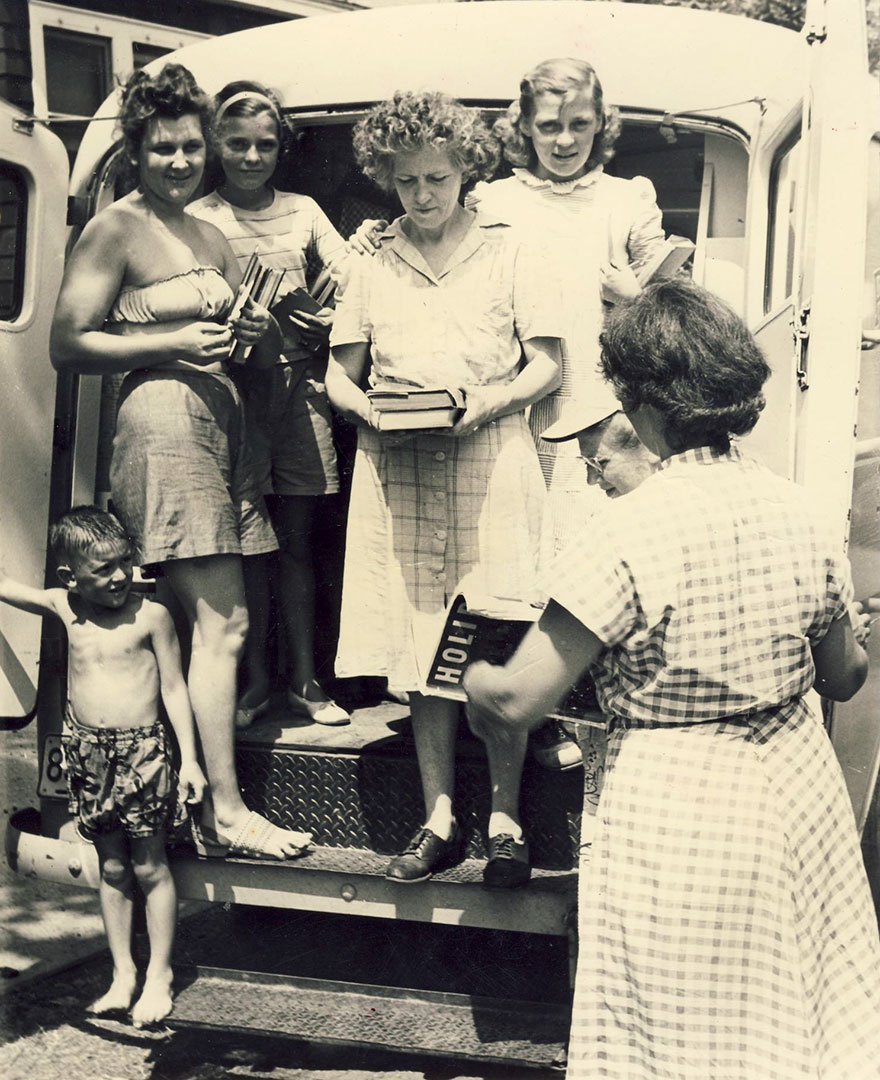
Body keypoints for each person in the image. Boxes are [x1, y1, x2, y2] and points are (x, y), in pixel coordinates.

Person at [465, 279, 880, 1080]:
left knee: (681, 1024)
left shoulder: (624, 530)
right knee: (791, 1010)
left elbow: (522, 700)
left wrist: (477, 678)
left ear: (643, 407)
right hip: (796, 787)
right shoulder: (800, 511)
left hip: (680, 798)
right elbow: (845, 678)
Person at [351, 57, 673, 769]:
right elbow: (434, 231)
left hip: (600, 397)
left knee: (595, 556)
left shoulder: (628, 197)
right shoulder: (494, 196)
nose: (564, 140)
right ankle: (528, 715)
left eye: (580, 125)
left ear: (602, 124)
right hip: (513, 404)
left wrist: (637, 292)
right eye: (549, 126)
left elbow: (673, 286)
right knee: (522, 568)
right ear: (524, 128)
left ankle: (592, 712)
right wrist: (374, 237)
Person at [50, 63, 311, 861]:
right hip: (162, 424)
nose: (179, 161)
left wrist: (259, 334)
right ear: (134, 150)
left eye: (190, 148)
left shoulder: (210, 234)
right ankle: (224, 811)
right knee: (222, 624)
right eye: (162, 148)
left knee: (220, 627)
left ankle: (186, 798)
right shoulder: (116, 228)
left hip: (221, 430)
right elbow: (67, 343)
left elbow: (241, 345)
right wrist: (172, 340)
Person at [326, 90, 563, 888]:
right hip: (400, 464)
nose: (423, 196)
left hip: (491, 459)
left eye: (437, 177)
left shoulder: (512, 250)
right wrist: (365, 411)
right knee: (421, 641)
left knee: (491, 643)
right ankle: (437, 818)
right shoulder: (370, 261)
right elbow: (339, 371)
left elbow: (547, 364)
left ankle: (505, 818)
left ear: (466, 168)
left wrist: (483, 404)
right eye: (405, 182)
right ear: (386, 180)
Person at [0, 507, 206, 1028]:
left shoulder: (151, 615)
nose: (119, 577)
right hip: (87, 755)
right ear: (71, 576)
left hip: (143, 755)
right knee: (111, 868)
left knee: (150, 866)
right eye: (103, 570)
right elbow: (4, 586)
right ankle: (123, 974)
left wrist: (191, 764)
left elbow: (175, 690)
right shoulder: (63, 608)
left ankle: (158, 974)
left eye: (124, 564)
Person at [190, 80, 350, 728]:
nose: (252, 157)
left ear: (282, 145)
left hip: (303, 391)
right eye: (237, 144)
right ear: (214, 145)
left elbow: (352, 283)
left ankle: (307, 681)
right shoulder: (199, 216)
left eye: (264, 144)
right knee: (251, 545)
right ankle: (256, 680)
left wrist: (329, 322)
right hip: (234, 393)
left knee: (298, 544)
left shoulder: (306, 211)